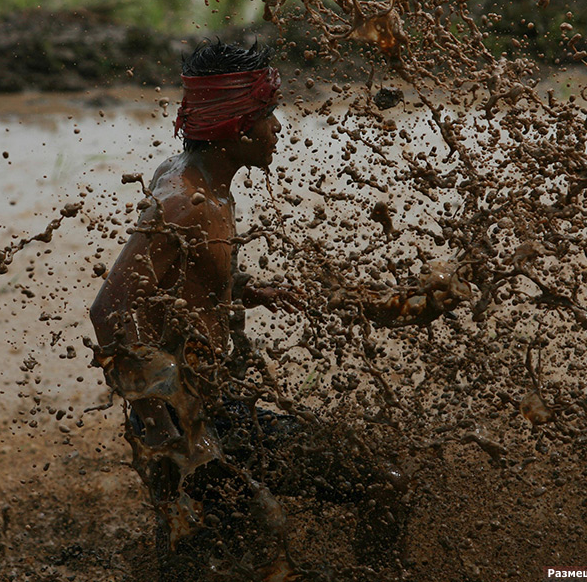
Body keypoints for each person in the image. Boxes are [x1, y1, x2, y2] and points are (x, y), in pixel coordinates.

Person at [90, 40, 405, 580]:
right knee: (367, 493)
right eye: (266, 114)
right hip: (191, 428)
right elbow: (111, 310)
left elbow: (172, 281)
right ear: (236, 125)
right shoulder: (186, 204)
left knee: (214, 561)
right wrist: (170, 432)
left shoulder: (195, 177)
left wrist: (236, 286)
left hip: (212, 412)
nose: (277, 127)